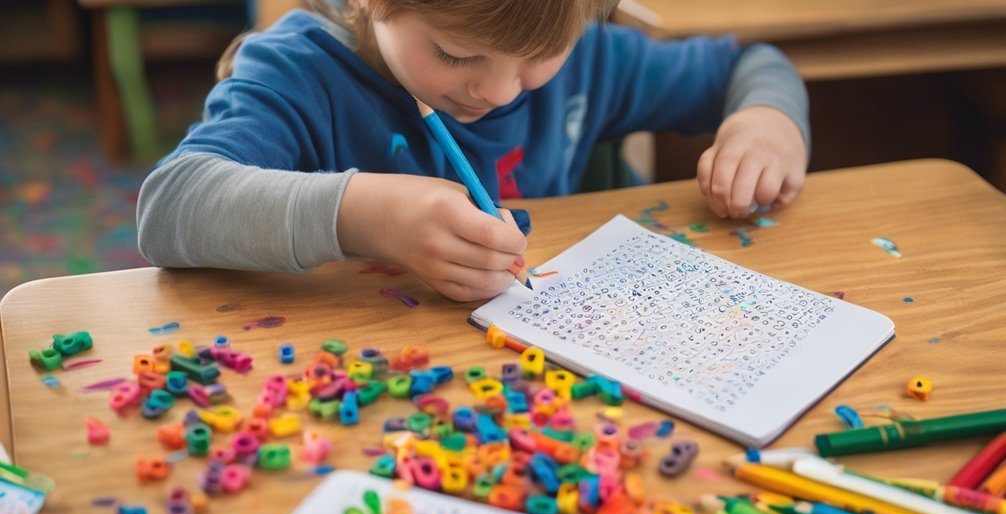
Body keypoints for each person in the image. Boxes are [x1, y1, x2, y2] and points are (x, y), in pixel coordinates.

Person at [137, 0, 809, 302]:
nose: (496, 88)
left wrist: (768, 121)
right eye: (456, 54)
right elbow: (170, 207)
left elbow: (750, 65)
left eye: (542, 54)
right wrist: (362, 214)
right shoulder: (300, 73)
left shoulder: (591, 58)